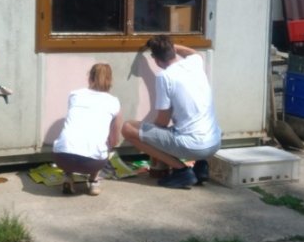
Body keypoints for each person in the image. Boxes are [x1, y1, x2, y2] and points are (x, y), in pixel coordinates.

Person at [121, 35, 221, 189]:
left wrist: (151, 136)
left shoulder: (164, 77)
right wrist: (172, 47)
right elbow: (193, 52)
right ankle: (201, 168)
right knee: (185, 125)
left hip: (192, 145)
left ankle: (182, 172)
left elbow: (162, 121)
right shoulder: (194, 63)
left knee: (128, 128)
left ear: (155, 59)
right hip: (214, 143)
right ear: (172, 50)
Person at [52, 63, 123, 196]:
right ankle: (94, 181)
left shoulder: (75, 95)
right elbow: (114, 141)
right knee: (106, 143)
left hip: (62, 158)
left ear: (89, 78)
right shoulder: (114, 102)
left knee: (71, 135)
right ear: (110, 81)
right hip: (92, 163)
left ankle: (68, 176)